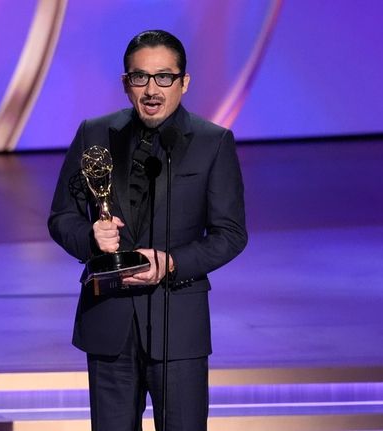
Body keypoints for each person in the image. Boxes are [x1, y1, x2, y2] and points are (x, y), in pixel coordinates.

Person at [48, 29, 247, 431]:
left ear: (184, 82)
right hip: (109, 321)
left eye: (164, 77)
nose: (152, 89)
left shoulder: (213, 142)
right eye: (140, 77)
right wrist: (91, 238)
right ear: (126, 83)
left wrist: (172, 262)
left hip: (178, 322)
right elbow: (61, 217)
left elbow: (230, 233)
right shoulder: (94, 134)